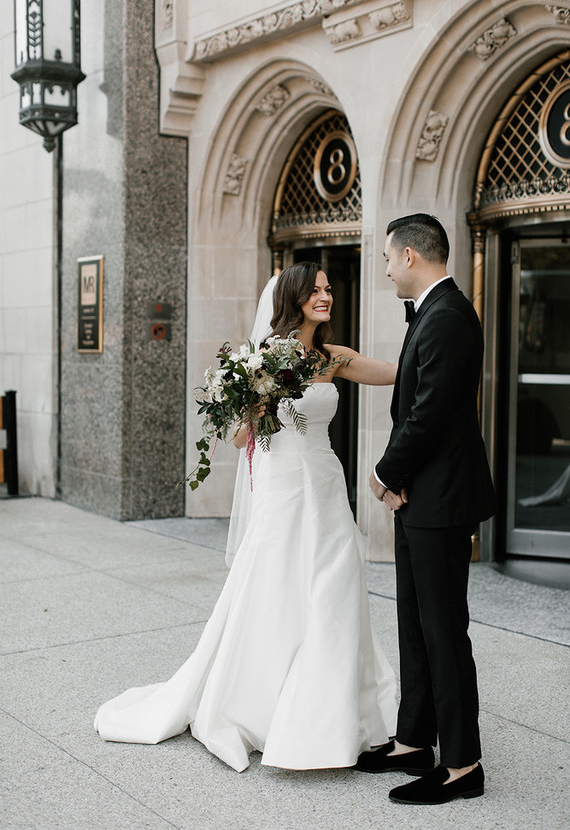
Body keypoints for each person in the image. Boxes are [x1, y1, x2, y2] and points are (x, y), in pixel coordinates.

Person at [94, 261, 398, 773]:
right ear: (294, 298)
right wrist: (259, 394)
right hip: (283, 486)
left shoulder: (333, 357)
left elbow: (394, 373)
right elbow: (239, 439)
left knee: (337, 582)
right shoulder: (262, 358)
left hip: (324, 481)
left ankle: (340, 705)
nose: (325, 297)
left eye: (328, 290)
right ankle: (265, 703)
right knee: (278, 585)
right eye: (316, 291)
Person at [353, 214, 496, 804]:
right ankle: (414, 740)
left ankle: (463, 766)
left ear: (411, 256)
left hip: (439, 499)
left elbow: (429, 414)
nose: (385, 270)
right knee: (415, 625)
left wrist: (386, 473)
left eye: (388, 259)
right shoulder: (433, 313)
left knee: (443, 631)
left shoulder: (450, 317)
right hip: (422, 498)